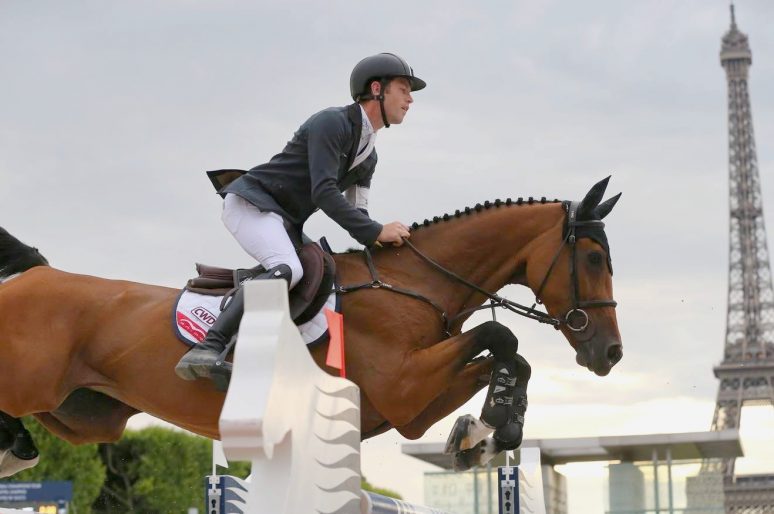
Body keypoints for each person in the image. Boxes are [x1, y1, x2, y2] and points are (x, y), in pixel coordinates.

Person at [175, 52, 426, 384]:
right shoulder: (332, 123)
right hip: (253, 204)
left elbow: (358, 212)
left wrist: (380, 238)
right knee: (289, 269)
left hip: (282, 220)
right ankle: (207, 347)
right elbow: (324, 192)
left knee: (323, 271)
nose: (410, 99)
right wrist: (376, 230)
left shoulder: (369, 156)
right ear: (377, 89)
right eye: (403, 88)